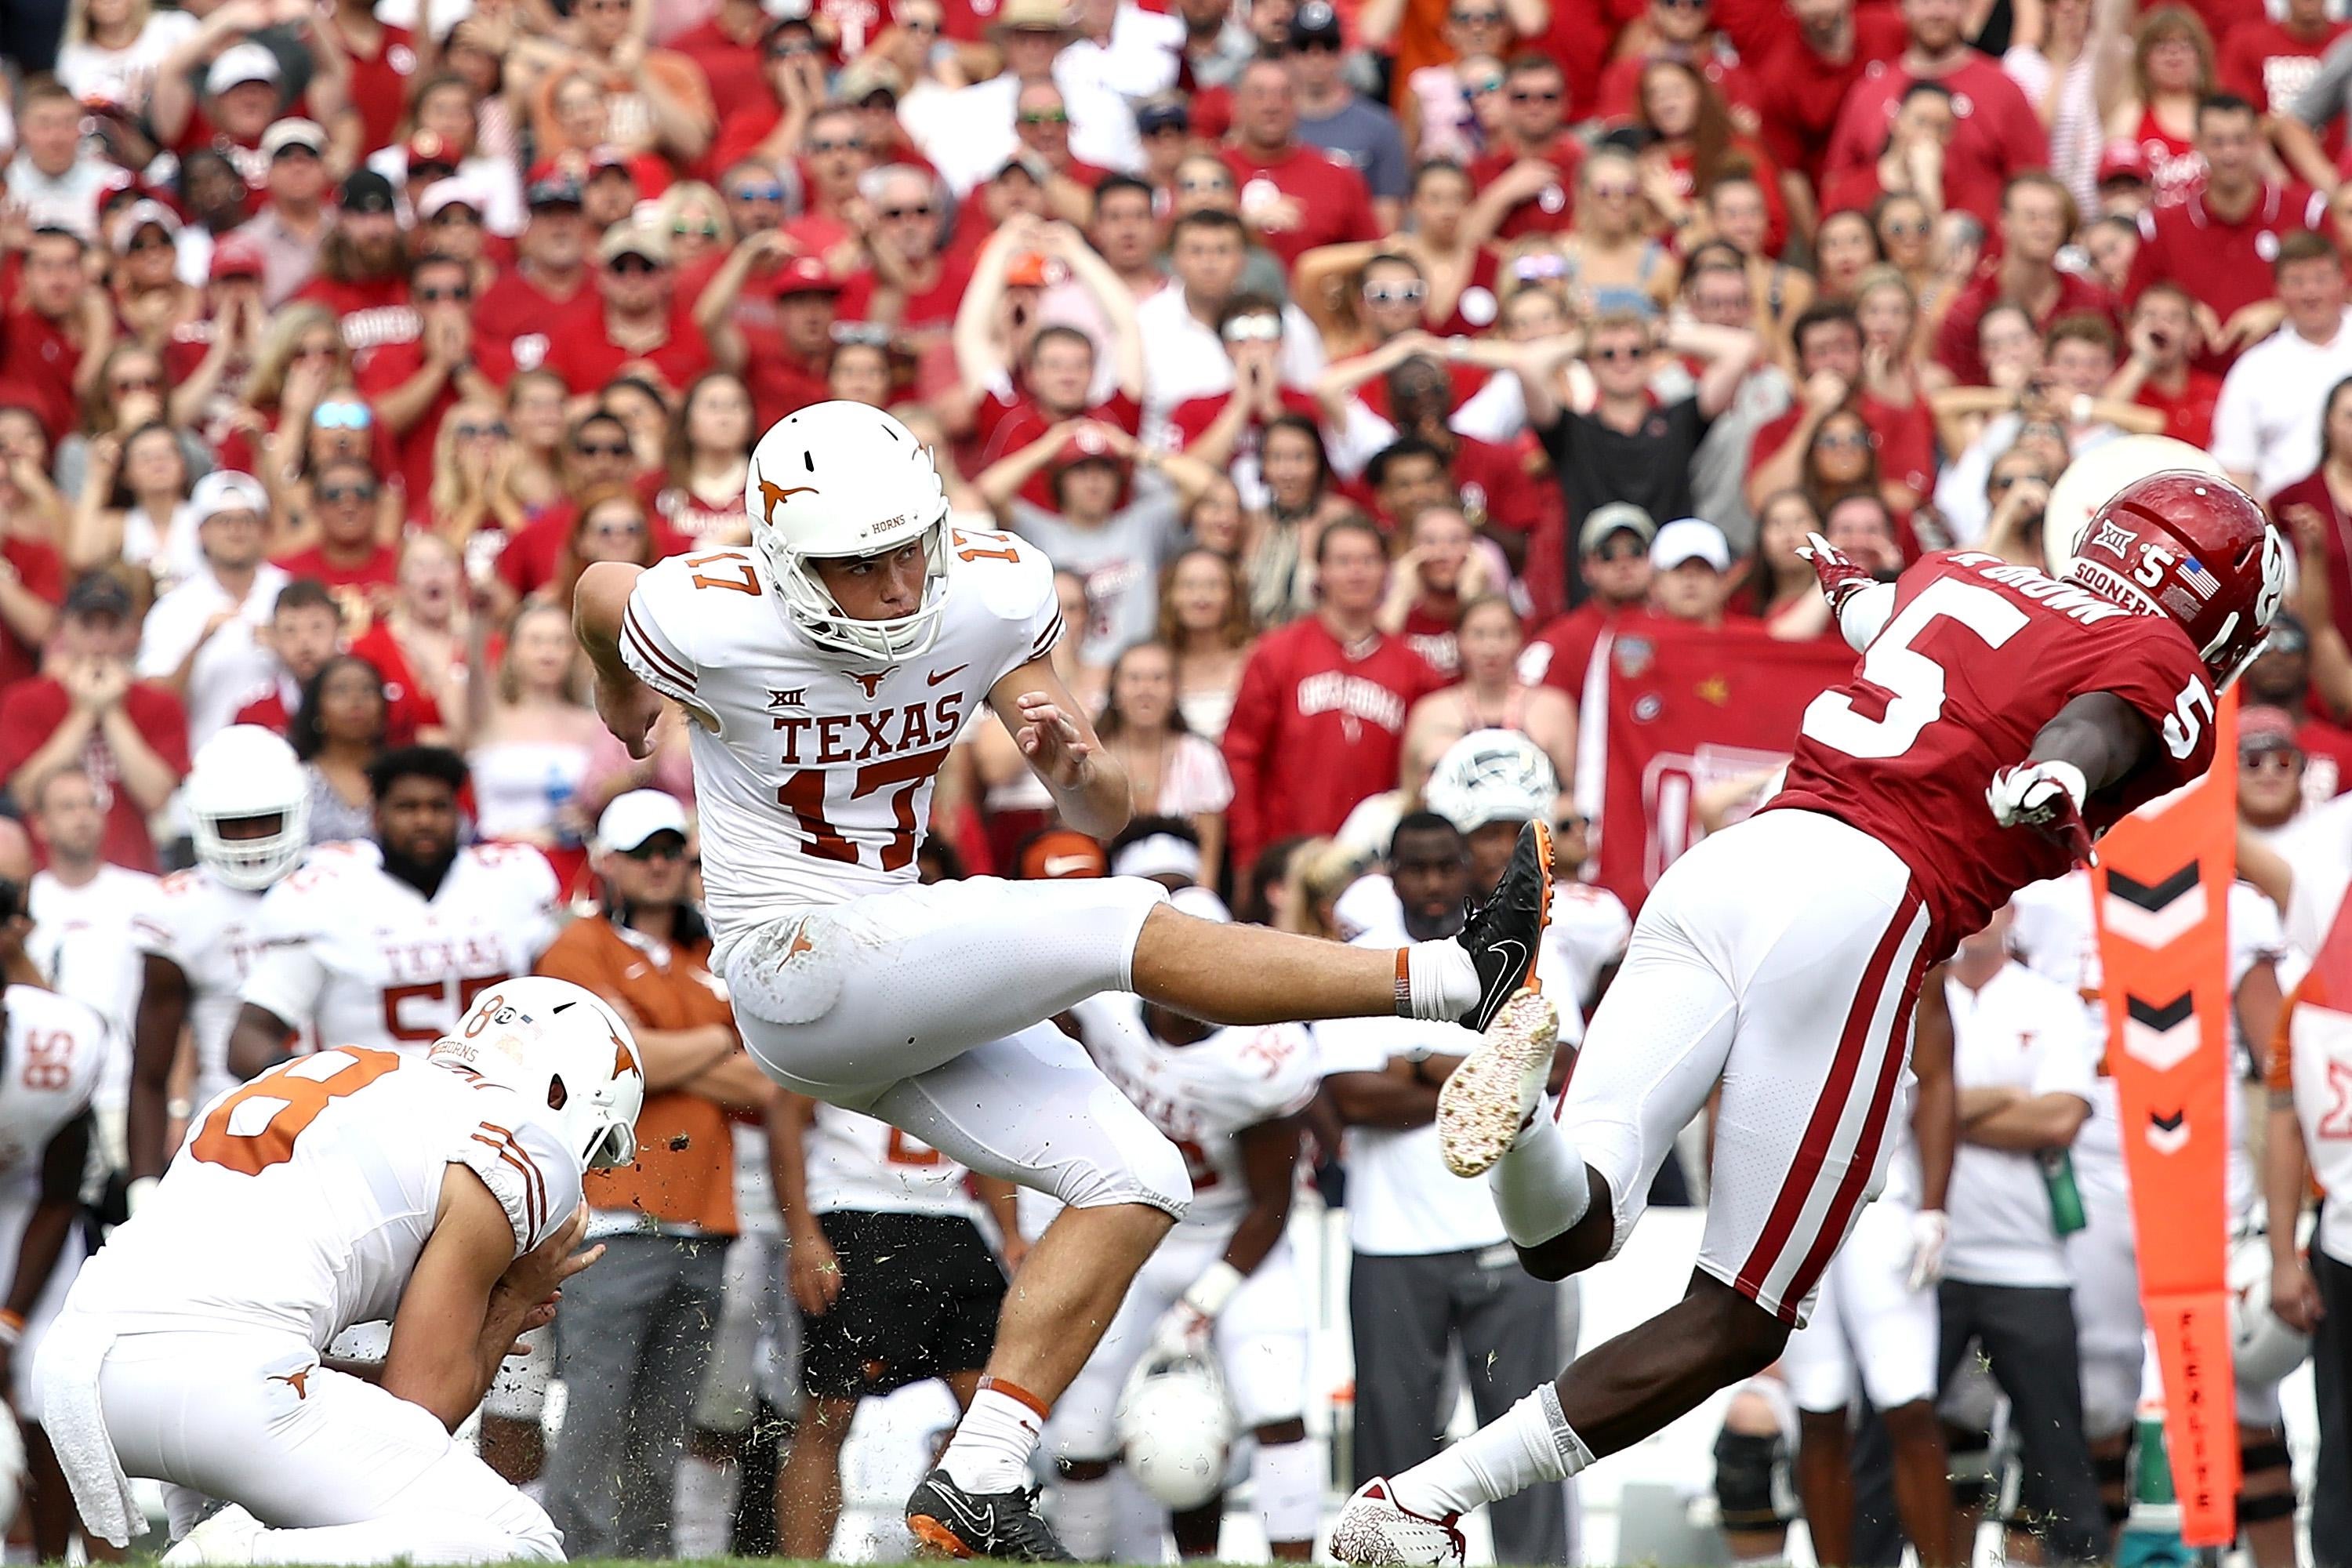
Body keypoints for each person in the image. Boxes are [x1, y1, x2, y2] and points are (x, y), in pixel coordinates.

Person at [572, 400, 1552, 1558]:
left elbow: (1103, 813)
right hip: (793, 961)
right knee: (1118, 920)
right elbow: (600, 589)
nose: (895, 583)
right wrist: (622, 696)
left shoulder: (985, 590)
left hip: (898, 967)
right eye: (856, 564)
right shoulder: (710, 614)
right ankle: (1454, 977)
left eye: (908, 546)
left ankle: (980, 1475)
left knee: (1135, 1174)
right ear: (786, 565)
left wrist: (1074, 773)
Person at [1327, 470, 2283, 1564]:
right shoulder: (2157, 658)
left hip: (1730, 863)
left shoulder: (1964, 573)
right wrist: (2057, 774)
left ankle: (1524, 1111)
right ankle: (1424, 1501)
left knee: (1572, 1231)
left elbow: (1890, 615)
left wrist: (1850, 588)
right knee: (1745, 1312)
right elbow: (2099, 720)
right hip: (1863, 905)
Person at [35, 978, 641, 1562]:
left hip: (81, 1370)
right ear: (564, 1093)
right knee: (522, 1542)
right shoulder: (520, 1145)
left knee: (338, 1524)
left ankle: (229, 1547)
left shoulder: (341, 1074)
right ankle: (242, 1556)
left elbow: (328, 1379)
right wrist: (513, 1302)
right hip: (225, 1381)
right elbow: (419, 1413)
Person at [1318, 813, 1570, 1566]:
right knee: (1391, 1449)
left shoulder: (1518, 945)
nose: (1430, 884)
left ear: (1468, 868)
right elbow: (1351, 1099)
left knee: (1530, 1450)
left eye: (1444, 866)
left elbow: (1559, 1064)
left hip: (1510, 1235)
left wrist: (1414, 1064)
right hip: (1391, 1240)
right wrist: (1484, 1070)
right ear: (1388, 873)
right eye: (1413, 868)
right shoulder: (1362, 959)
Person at [1050, 887, 1319, 1561]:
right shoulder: (1103, 1005)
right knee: (1080, 1431)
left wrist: (1206, 1302)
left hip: (1232, 1238)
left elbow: (1272, 1202)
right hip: (1126, 1231)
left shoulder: (1259, 1057)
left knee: (1275, 1406)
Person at [533, 792, 770, 1558]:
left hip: (707, 1218)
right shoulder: (577, 947)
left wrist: (655, 1045)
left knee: (665, 1423)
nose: (662, 864)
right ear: (605, 861)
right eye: (643, 851)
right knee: (596, 1414)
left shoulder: (716, 954)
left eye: (673, 849)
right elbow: (601, 1056)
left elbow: (764, 1083)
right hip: (611, 1215)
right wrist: (708, 1036)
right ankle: (579, 1552)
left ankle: (643, 1557)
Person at [223, 746, 562, 1078]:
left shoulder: (511, 879)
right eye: (407, 807)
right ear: (377, 816)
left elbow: (565, 999)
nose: (424, 820)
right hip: (376, 1117)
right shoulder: (327, 895)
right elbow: (248, 1041)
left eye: (438, 807)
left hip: (501, 1104)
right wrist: (322, 1094)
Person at [125, 727, 309, 1204]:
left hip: (338, 1115)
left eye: (264, 821)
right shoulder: (180, 910)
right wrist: (143, 1183)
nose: (250, 840)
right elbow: (150, 1069)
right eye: (234, 825)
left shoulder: (339, 887)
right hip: (229, 1131)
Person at [1223, 518, 1449, 879]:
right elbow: (1241, 757)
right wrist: (1249, 854)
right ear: (1321, 572)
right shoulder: (1276, 653)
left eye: (1369, 561)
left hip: (1378, 866)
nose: (1356, 573)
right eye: (1344, 562)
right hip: (1288, 860)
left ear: (1386, 572)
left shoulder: (1415, 668)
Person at [0, 979, 107, 1561]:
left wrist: (8, 1322)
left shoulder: (58, 1052)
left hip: (27, 1200)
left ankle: (53, 1558)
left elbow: (60, 1193)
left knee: (52, 1384)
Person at [0, 575, 189, 876]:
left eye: (112, 627)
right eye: (88, 626)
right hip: (48, 878)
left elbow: (156, 797)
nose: (99, 641)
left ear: (132, 633)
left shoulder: (160, 704)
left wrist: (113, 714)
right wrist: (85, 713)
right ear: (66, 629)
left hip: (134, 873)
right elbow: (26, 795)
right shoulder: (24, 701)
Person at [2215, 230, 2352, 499]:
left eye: (2320, 279)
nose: (2310, 292)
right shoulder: (2253, 369)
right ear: (2278, 290)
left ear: (2342, 281)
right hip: (2286, 529)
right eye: (2296, 282)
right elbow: (2237, 470)